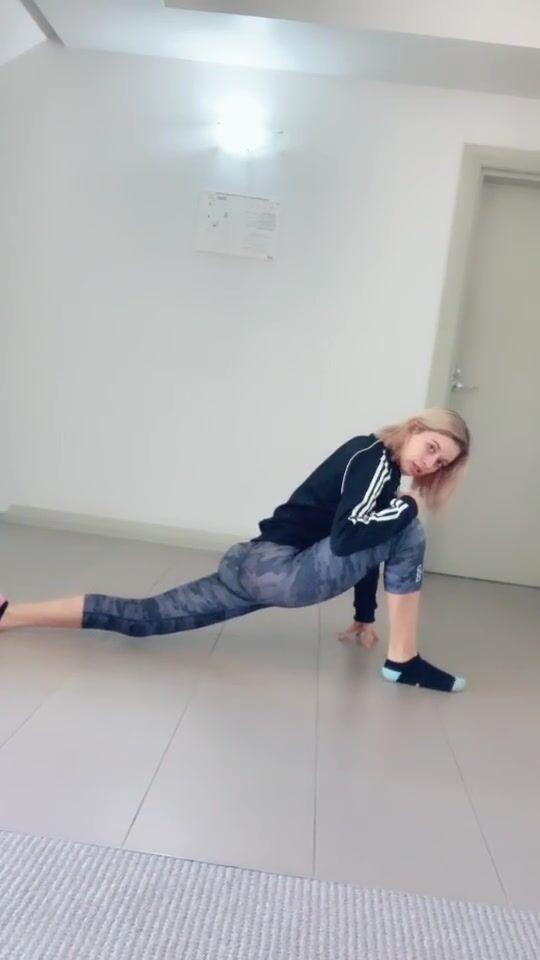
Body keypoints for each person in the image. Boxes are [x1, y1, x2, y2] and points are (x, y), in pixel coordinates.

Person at [0, 408, 470, 693]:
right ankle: (403, 660)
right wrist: (409, 506)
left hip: (250, 562)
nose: (429, 464)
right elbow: (351, 538)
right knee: (408, 527)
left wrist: (364, 614)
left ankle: (10, 614)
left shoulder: (373, 465)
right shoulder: (375, 459)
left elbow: (363, 538)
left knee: (142, 618)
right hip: (281, 571)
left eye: (440, 462)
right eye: (431, 447)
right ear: (414, 428)